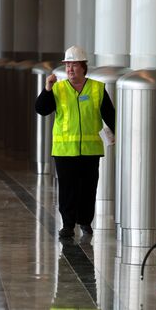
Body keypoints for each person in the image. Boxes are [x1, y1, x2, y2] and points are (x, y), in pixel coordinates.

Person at [35, 45, 115, 239]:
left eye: (74, 65)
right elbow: (41, 109)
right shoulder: (58, 89)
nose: (70, 69)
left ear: (83, 67)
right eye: (68, 65)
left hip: (90, 149)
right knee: (68, 189)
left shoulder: (97, 88)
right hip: (64, 150)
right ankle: (68, 225)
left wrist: (113, 134)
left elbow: (111, 116)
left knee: (88, 188)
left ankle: (86, 222)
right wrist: (47, 89)